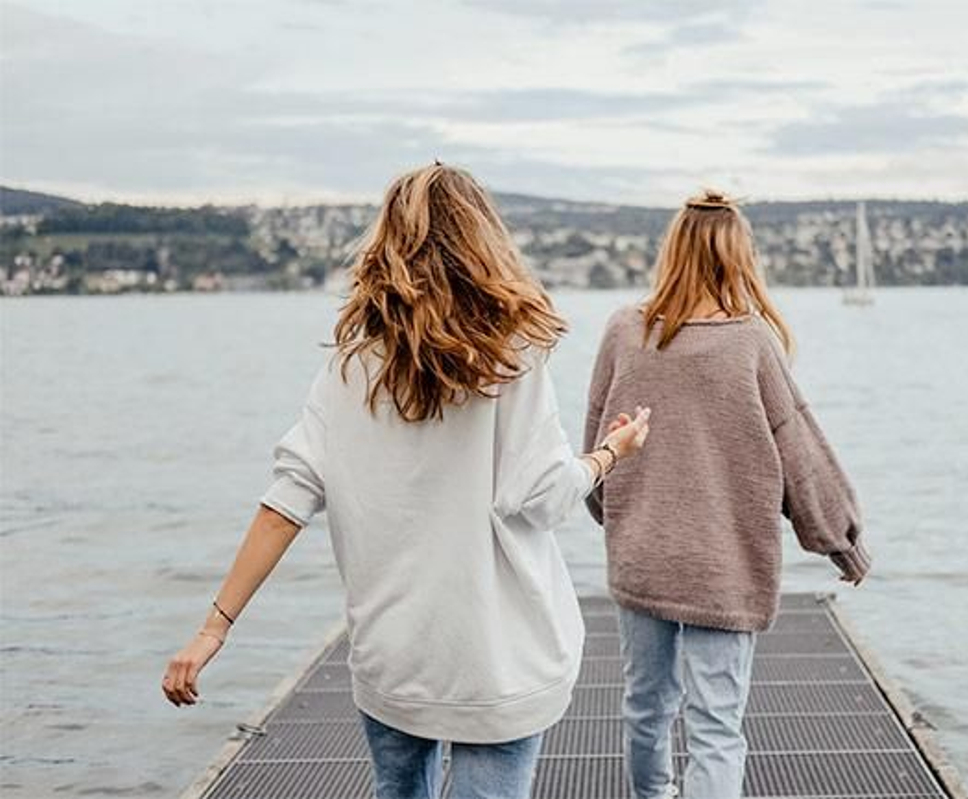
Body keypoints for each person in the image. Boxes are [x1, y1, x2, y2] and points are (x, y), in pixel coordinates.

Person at [160, 163, 651, 799]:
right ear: (485, 240)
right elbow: (542, 496)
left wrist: (213, 628)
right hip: (496, 658)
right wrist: (611, 453)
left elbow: (285, 503)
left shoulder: (351, 366)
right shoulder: (513, 357)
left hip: (394, 657)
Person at [583, 189, 870, 799]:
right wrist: (839, 539)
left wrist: (620, 517)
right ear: (740, 257)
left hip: (643, 554)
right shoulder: (751, 344)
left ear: (673, 251)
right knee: (716, 726)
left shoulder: (623, 331)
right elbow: (802, 455)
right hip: (725, 564)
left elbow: (595, 444)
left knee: (645, 708)